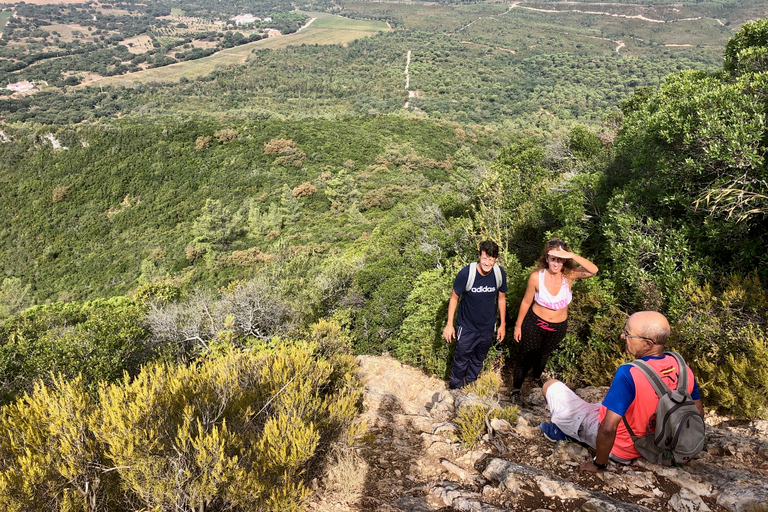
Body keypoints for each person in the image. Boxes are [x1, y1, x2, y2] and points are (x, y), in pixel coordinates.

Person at [538, 311, 705, 472]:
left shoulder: (630, 373)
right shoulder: (683, 368)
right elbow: (698, 411)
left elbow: (608, 429)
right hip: (659, 443)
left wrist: (599, 465)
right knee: (600, 405)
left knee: (551, 386)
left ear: (647, 344)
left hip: (623, 449)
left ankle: (566, 433)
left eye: (628, 333)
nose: (622, 336)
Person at [510, 239, 598, 399]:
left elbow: (593, 270)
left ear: (564, 260)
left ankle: (536, 379)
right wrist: (518, 326)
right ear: (546, 258)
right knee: (526, 356)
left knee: (543, 355)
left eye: (560, 259)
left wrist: (571, 254)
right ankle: (516, 389)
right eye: (553, 258)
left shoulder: (569, 276)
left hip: (558, 327)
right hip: (535, 324)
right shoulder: (536, 277)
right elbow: (526, 302)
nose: (556, 263)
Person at [443, 240, 507, 389]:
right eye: (484, 258)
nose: (487, 262)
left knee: (479, 359)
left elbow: (502, 299)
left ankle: (470, 384)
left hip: (487, 327)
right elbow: (454, 298)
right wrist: (449, 324)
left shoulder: (499, 274)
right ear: (479, 256)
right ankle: (455, 388)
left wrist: (502, 324)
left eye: (491, 259)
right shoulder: (466, 273)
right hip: (466, 327)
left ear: (496, 259)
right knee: (461, 360)